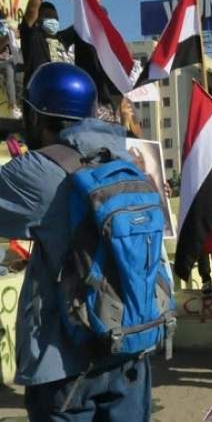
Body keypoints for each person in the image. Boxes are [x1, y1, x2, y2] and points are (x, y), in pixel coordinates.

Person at [0, 63, 151, 420]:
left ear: (37, 116)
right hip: (131, 347)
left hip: (64, 361)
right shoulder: (127, 161)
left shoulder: (37, 170)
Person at [19, 0, 73, 88]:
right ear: (38, 20)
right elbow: (32, 9)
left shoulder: (62, 39)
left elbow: (85, 24)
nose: (53, 20)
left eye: (55, 18)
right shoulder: (33, 37)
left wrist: (92, 2)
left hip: (63, 94)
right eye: (48, 17)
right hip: (39, 94)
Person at [0, 14, 21, 118]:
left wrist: (16, 33)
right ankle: (13, 106)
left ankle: (21, 105)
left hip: (12, 58)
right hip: (3, 62)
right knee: (9, 68)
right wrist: (6, 38)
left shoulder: (7, 23)